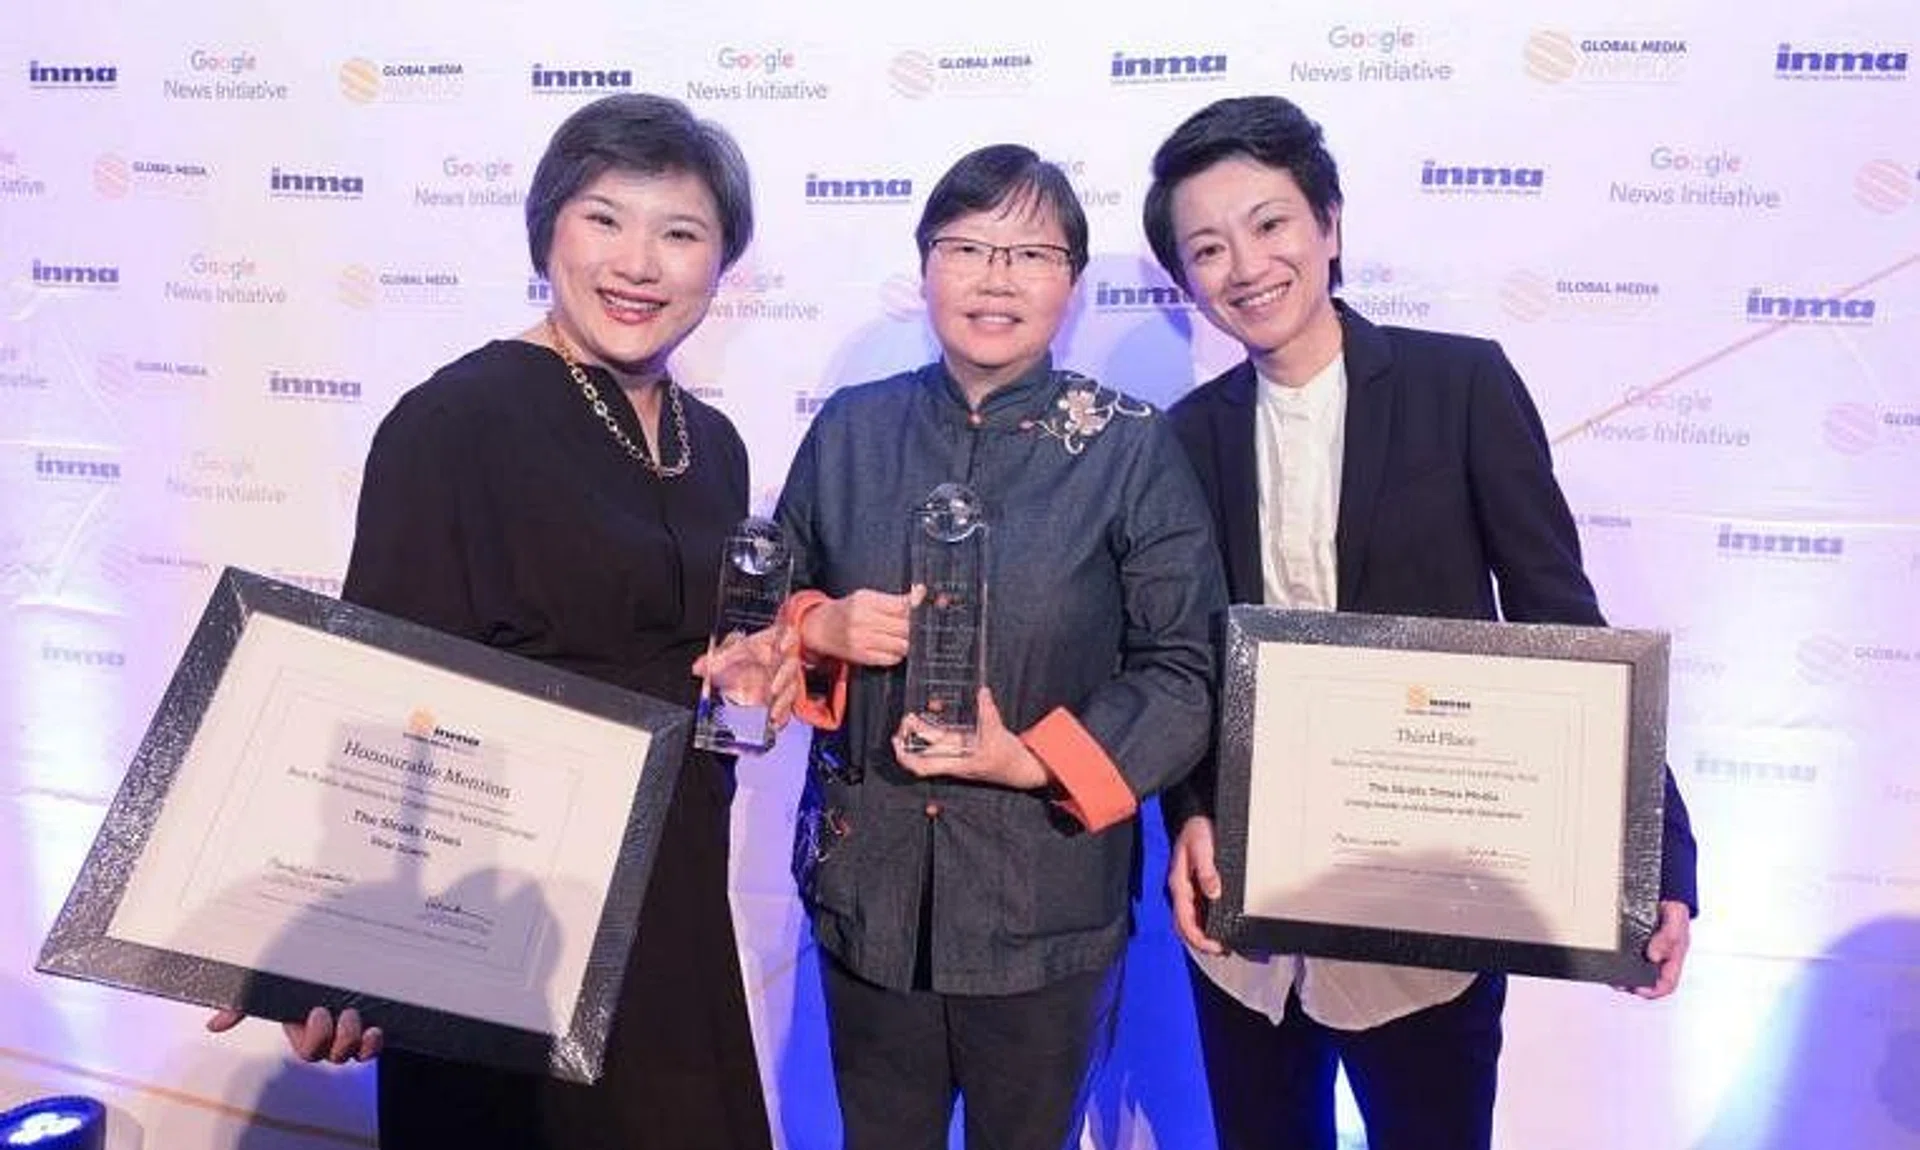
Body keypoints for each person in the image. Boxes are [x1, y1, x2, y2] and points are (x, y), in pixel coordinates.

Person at [208, 92, 787, 1150]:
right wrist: (334, 950)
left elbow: (684, 660)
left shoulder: (719, 443)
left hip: (673, 904)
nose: (639, 262)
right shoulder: (456, 420)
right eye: (604, 218)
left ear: (721, 266)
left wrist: (752, 674)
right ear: (547, 229)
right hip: (498, 925)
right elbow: (376, 700)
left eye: (681, 232)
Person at [1142, 96, 1701, 1150]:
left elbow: (1562, 625)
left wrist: (1658, 855)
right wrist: (1189, 816)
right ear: (1185, 278)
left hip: (1431, 917)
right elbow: (1179, 662)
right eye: (1206, 247)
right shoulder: (1181, 438)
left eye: (1270, 224)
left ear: (1330, 225)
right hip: (1244, 925)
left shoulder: (1462, 385)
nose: (1245, 266)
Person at [774, 144, 1224, 1150]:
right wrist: (819, 625)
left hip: (1044, 904)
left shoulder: (1126, 446)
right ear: (926, 266)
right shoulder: (851, 431)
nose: (995, 277)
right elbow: (763, 608)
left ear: (1071, 279)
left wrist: (1030, 756)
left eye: (1029, 252)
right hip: (870, 893)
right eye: (966, 246)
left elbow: (1183, 669)